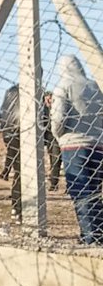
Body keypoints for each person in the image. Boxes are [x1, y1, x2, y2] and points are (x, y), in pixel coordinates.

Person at [49, 55, 103, 245]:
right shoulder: (95, 86)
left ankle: (91, 237)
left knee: (80, 191)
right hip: (98, 145)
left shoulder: (63, 87)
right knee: (95, 191)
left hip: (74, 145)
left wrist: (59, 137)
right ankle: (96, 233)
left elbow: (58, 118)